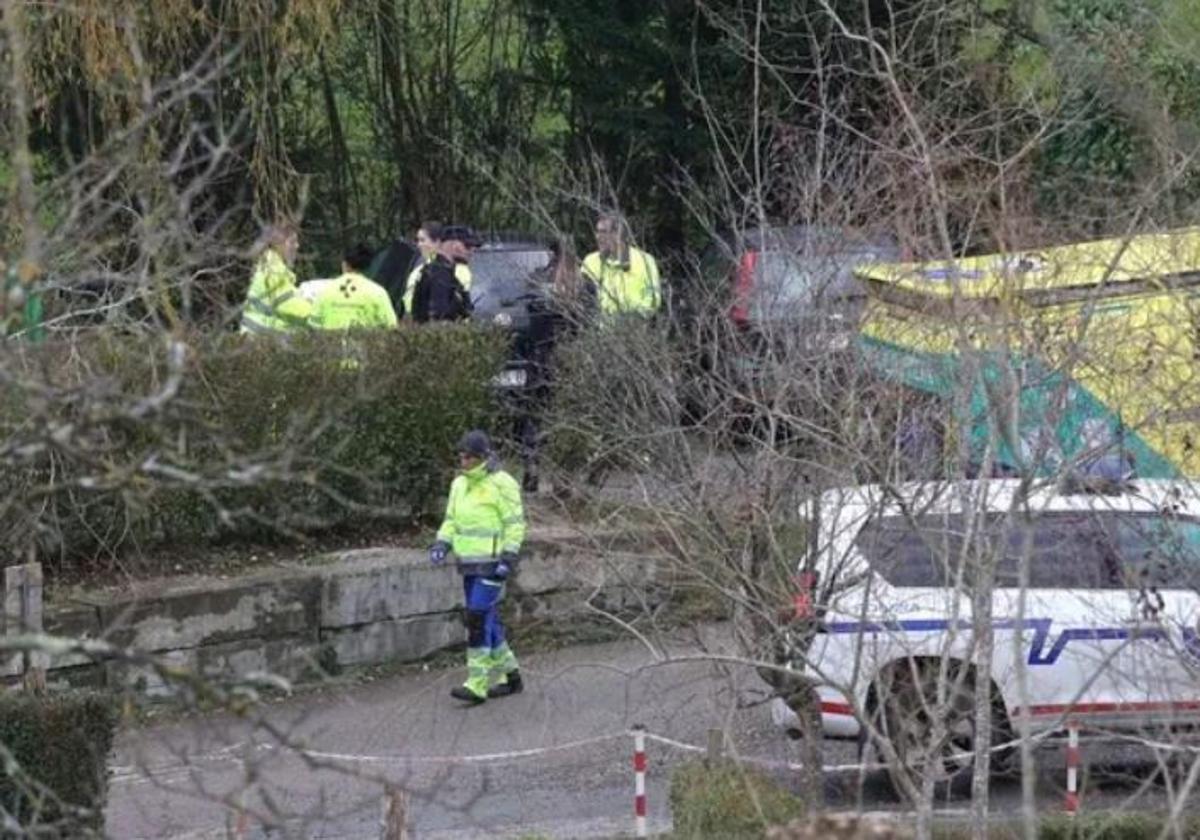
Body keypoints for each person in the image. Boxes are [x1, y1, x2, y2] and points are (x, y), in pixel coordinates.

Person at [429, 430, 525, 704]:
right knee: (488, 619)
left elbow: (514, 524)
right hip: (469, 565)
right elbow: (451, 520)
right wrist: (441, 544)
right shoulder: (459, 484)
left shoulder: (502, 483)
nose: (463, 460)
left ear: (482, 457)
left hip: (494, 565)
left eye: (468, 455)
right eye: (461, 454)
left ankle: (477, 684)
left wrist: (508, 557)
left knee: (477, 618)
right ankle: (512, 676)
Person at [581, 212, 662, 317]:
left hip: (635, 327)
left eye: (603, 232)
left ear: (617, 235)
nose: (598, 237)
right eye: (597, 232)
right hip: (599, 329)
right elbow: (583, 299)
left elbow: (653, 301)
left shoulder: (645, 261)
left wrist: (631, 316)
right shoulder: (590, 262)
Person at [240, 223, 312, 335]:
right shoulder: (274, 269)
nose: (297, 246)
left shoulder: (269, 264)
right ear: (278, 244)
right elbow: (287, 305)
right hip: (260, 340)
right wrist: (317, 312)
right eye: (292, 242)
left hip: (256, 337)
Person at [308, 243, 399, 330]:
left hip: (331, 344)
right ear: (369, 266)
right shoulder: (378, 293)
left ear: (344, 264)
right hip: (365, 345)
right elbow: (391, 326)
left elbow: (313, 324)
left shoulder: (327, 290)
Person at [411, 225, 473, 323]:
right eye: (467, 246)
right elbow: (439, 319)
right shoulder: (439, 274)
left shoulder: (443, 271)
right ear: (453, 245)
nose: (471, 251)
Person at [399, 221, 444, 318]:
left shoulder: (443, 269)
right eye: (418, 240)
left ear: (437, 242)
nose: (419, 244)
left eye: (423, 240)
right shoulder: (421, 266)